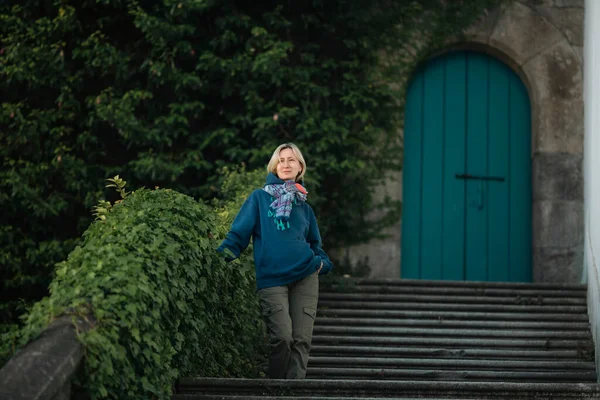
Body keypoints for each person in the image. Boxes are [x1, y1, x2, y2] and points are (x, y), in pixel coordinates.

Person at [217, 142, 333, 379]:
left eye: (291, 160)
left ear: (300, 167)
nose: (286, 164)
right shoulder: (259, 198)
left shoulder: (304, 207)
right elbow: (238, 234)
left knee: (301, 341)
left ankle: (295, 391)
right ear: (274, 166)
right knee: (282, 337)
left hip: (305, 276)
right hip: (272, 278)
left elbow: (316, 246)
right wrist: (218, 259)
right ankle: (275, 386)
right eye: (281, 160)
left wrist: (321, 264)